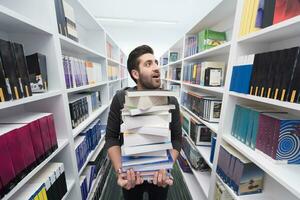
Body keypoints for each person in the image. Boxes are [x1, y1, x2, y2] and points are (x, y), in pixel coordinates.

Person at [105, 45, 182, 200]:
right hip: (131, 173)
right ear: (135, 74)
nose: (156, 68)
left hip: (159, 174)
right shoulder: (121, 99)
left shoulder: (170, 100)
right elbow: (111, 137)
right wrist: (121, 170)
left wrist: (166, 167)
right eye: (148, 64)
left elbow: (177, 140)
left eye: (155, 62)